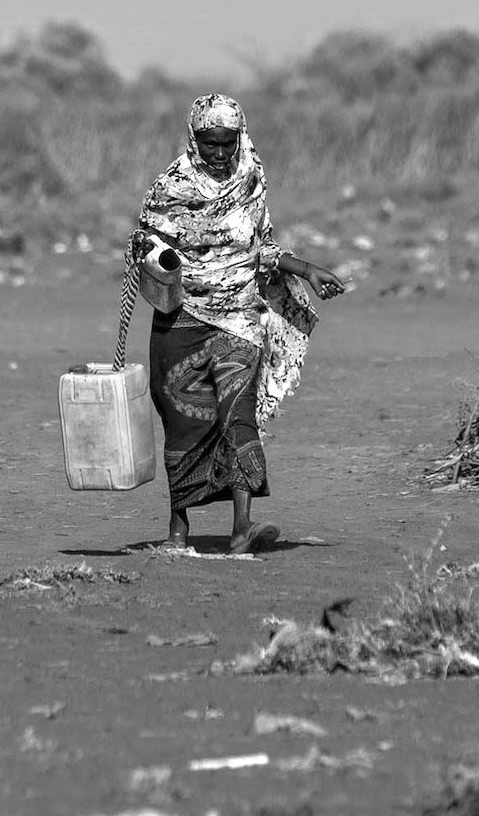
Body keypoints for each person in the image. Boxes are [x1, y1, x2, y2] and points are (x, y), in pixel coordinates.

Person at [136, 94, 345, 554]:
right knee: (182, 425)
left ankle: (241, 528)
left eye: (226, 142)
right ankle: (178, 533)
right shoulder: (171, 186)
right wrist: (158, 255)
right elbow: (143, 243)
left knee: (239, 419)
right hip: (181, 321)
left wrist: (306, 269)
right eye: (209, 143)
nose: (218, 153)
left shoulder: (250, 177)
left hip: (240, 320)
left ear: (239, 137)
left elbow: (261, 246)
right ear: (194, 138)